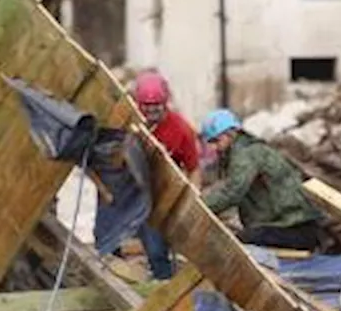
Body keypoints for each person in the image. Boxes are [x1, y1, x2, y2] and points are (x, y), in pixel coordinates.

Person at [200, 109, 325, 251]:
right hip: (288, 226)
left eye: (216, 140)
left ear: (230, 134)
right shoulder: (243, 151)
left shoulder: (246, 154)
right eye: (210, 142)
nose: (213, 147)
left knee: (237, 243)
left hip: (294, 228)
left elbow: (233, 192)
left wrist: (199, 207)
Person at [132, 70, 201, 280]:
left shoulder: (181, 129)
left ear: (165, 103)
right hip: (131, 186)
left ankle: (164, 283)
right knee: (112, 240)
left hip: (161, 194)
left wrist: (192, 199)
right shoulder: (129, 122)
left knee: (156, 249)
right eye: (146, 106)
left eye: (156, 106)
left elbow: (194, 168)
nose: (151, 111)